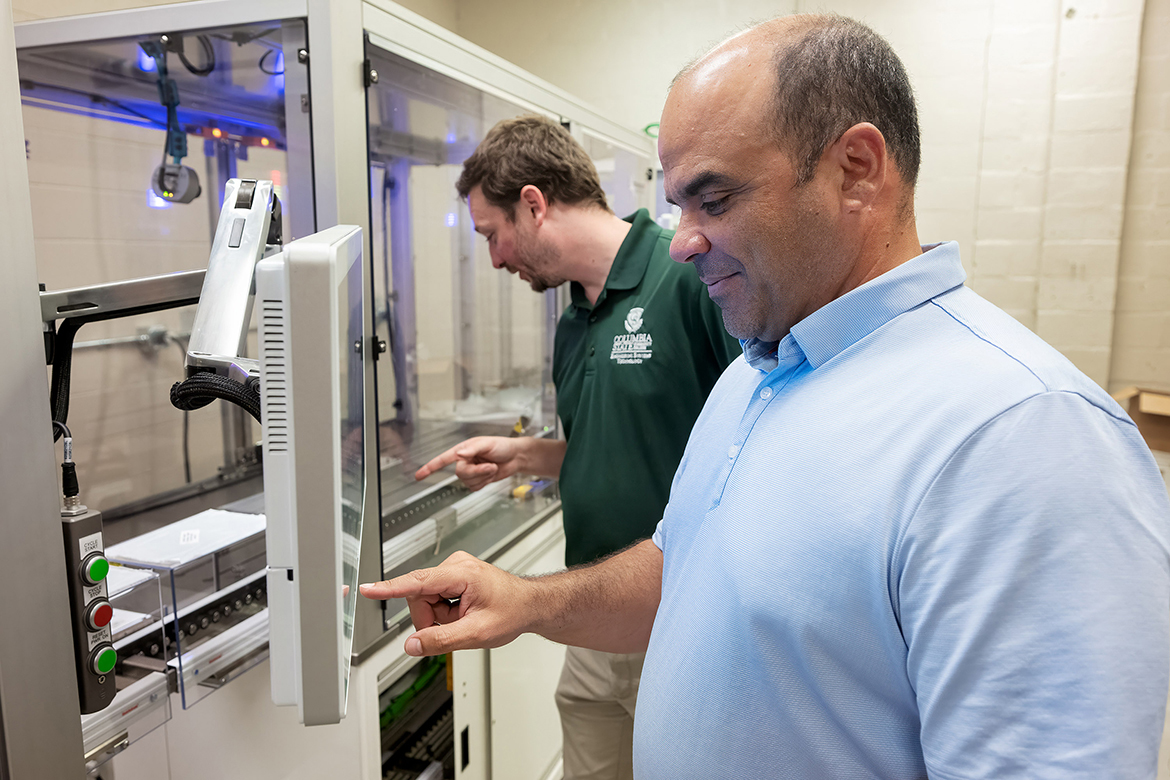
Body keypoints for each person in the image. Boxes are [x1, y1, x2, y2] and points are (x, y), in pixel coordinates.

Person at [363, 14, 1170, 779]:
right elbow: (685, 565)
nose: (681, 240)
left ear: (857, 170)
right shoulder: (763, 369)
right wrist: (528, 601)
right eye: (678, 203)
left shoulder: (1025, 437)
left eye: (713, 199)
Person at [410, 114, 740, 780]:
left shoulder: (685, 280)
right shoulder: (571, 322)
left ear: (533, 205)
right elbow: (620, 447)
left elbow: (759, 442)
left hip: (681, 620)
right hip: (588, 619)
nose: (496, 258)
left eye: (493, 236)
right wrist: (524, 458)